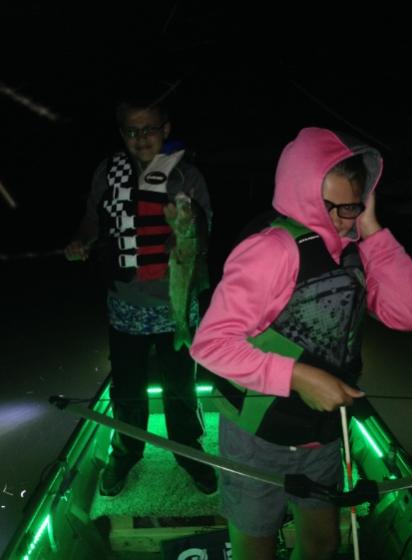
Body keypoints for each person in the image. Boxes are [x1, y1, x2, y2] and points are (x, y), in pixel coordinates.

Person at [190, 127, 412, 559]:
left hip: (324, 433)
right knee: (256, 547)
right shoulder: (270, 251)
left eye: (352, 206)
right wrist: (298, 377)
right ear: (301, 194)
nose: (342, 220)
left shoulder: (354, 248)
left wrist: (372, 230)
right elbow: (210, 345)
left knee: (323, 543)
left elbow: (404, 311)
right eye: (331, 207)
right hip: (259, 435)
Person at [65, 90, 217, 497]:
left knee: (181, 386)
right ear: (121, 133)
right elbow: (91, 221)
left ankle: (189, 451)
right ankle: (127, 451)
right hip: (125, 306)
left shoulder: (187, 177)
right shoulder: (107, 173)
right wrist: (81, 240)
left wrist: (185, 225)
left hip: (176, 304)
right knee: (127, 388)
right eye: (132, 130)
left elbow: (203, 235)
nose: (141, 138)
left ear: (165, 129)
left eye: (149, 129)